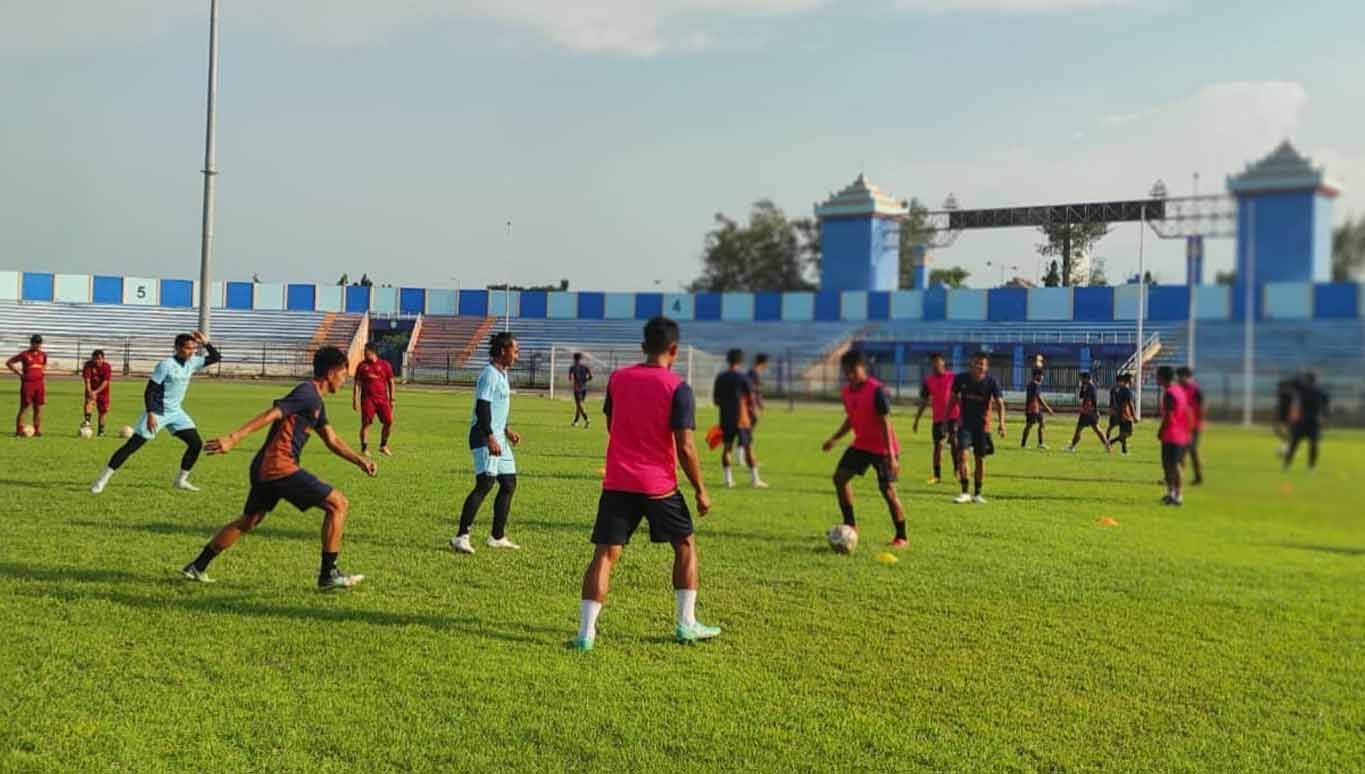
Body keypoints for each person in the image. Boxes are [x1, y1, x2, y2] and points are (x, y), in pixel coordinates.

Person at [179, 346, 377, 589]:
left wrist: (360, 461)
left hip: (267, 467)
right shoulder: (306, 393)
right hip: (277, 466)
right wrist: (233, 437)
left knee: (249, 520)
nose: (344, 380)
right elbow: (271, 414)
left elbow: (332, 440)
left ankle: (197, 566)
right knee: (338, 504)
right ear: (331, 372)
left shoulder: (316, 402)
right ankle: (329, 574)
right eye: (344, 374)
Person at [575, 317, 716, 651]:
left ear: (642, 347)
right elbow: (685, 446)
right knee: (685, 545)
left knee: (605, 555)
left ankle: (586, 634)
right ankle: (686, 624)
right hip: (658, 485)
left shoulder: (619, 379)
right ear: (675, 350)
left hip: (618, 480)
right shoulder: (677, 387)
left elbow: (612, 424)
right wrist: (700, 489)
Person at [90, 332, 220, 494]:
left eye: (194, 348)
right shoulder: (165, 365)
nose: (192, 351)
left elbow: (216, 357)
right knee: (132, 446)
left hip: (176, 411)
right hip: (158, 411)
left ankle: (181, 481)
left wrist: (206, 343)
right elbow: (150, 391)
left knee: (195, 443)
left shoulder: (192, 362)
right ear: (178, 348)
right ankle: (102, 480)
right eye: (188, 348)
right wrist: (151, 414)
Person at [822, 350, 907, 547]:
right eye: (846, 370)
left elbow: (885, 423)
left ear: (863, 368)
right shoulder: (846, 392)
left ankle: (902, 536)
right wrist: (834, 439)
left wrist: (893, 457)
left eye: (854, 370)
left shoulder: (877, 390)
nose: (850, 374)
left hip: (884, 449)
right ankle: (850, 525)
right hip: (861, 444)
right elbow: (851, 419)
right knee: (840, 478)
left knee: (888, 491)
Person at [450, 333, 523, 554]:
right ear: (503, 351)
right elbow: (482, 408)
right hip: (483, 436)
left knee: (509, 483)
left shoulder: (503, 374)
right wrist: (491, 436)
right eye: (515, 350)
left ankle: (497, 537)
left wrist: (506, 429)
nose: (517, 355)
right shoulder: (489, 375)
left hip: (498, 435)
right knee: (485, 483)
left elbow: (495, 407)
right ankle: (461, 536)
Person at [948, 352, 1006, 504]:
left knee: (980, 459)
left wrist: (1001, 423)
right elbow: (953, 399)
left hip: (982, 427)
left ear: (986, 367)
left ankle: (978, 493)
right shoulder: (960, 379)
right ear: (971, 364)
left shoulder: (991, 382)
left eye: (982, 363)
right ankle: (965, 492)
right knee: (962, 456)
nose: (979, 366)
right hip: (965, 424)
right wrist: (947, 419)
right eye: (976, 363)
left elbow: (1000, 403)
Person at [713, 348, 766, 488]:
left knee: (727, 448)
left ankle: (728, 480)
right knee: (748, 448)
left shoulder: (721, 377)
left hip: (725, 417)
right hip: (742, 419)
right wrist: (754, 412)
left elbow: (716, 400)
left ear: (728, 359)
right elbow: (751, 398)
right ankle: (755, 479)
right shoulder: (743, 378)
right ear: (741, 361)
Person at [912, 353, 961, 482]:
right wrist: (917, 419)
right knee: (938, 446)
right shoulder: (928, 381)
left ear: (943, 363)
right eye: (933, 363)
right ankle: (937, 476)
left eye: (938, 362)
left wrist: (963, 414)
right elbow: (924, 401)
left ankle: (957, 470)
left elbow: (959, 397)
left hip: (954, 415)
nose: (936, 365)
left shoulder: (953, 377)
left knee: (955, 443)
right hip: (938, 418)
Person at [1155, 366, 1191, 505]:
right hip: (1179, 433)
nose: (1156, 378)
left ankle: (1177, 495)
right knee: (1169, 465)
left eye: (1157, 376)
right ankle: (1172, 493)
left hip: (1172, 434)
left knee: (1173, 465)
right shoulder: (1178, 390)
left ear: (1163, 377)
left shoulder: (1170, 393)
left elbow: (1169, 416)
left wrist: (1161, 430)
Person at [353, 343, 396, 457]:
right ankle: (364, 448)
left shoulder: (385, 365)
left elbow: (391, 382)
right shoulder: (362, 366)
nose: (364, 354)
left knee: (389, 421)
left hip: (383, 399)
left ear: (373, 352)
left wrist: (392, 398)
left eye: (366, 352)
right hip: (368, 399)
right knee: (366, 423)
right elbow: (357, 384)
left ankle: (383, 446)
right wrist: (355, 400)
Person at [1283, 370, 1329, 471]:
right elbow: (1326, 404)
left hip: (1302, 420)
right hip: (1314, 421)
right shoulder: (1320, 390)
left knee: (1294, 443)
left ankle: (1287, 464)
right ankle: (1311, 466)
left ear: (1307, 379)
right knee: (1313, 444)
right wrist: (1324, 416)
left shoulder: (1303, 388)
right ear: (1316, 379)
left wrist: (1299, 374)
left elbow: (1292, 382)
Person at [7, 334, 47, 437]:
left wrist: (42, 373)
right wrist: (19, 373)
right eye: (36, 343)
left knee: (38, 407)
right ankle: (19, 431)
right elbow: (9, 362)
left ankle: (37, 430)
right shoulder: (24, 354)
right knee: (24, 407)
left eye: (39, 343)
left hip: (39, 383)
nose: (38, 345)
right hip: (28, 384)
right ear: (31, 343)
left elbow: (44, 365)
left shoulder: (43, 355)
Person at [1066, 372, 1111, 453]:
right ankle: (1107, 446)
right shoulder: (1086, 386)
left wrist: (1092, 410)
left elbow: (1091, 400)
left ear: (1086, 378)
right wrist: (1082, 388)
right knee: (1096, 429)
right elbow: (1081, 396)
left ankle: (1072, 447)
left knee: (1080, 429)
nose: (1081, 380)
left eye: (1082, 379)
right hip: (1089, 411)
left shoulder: (1091, 387)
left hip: (1088, 412)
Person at [1176, 366, 1205, 483]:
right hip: (1182, 426)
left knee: (1191, 450)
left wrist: (1195, 422)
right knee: (1182, 451)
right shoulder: (1179, 388)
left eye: (1180, 376)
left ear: (1186, 376)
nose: (1178, 379)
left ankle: (1197, 477)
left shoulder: (1196, 390)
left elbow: (1202, 408)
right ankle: (1177, 477)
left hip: (1194, 426)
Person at [1019, 368, 1054, 449]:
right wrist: (1048, 408)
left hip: (1034, 408)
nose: (1042, 377)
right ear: (1037, 375)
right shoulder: (1036, 384)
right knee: (1029, 426)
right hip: (1033, 409)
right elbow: (1039, 398)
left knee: (1041, 423)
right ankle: (1024, 444)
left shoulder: (1030, 384)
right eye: (1042, 375)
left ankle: (1040, 443)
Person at [82, 349, 114, 436]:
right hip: (91, 389)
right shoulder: (88, 365)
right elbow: (87, 380)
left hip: (103, 391)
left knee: (103, 411)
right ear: (92, 358)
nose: (97, 361)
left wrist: (96, 392)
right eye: (95, 358)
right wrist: (89, 391)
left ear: (103, 359)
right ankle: (87, 422)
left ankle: (101, 432)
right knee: (89, 401)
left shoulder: (107, 367)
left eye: (99, 358)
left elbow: (105, 382)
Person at [1105, 373, 1136, 455]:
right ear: (1129, 380)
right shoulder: (1126, 390)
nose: (1133, 381)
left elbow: (1114, 401)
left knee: (1121, 432)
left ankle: (1124, 451)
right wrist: (1134, 416)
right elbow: (1129, 403)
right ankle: (1110, 442)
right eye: (1132, 379)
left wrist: (1113, 411)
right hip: (1125, 413)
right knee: (1128, 433)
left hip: (1118, 413)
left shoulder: (1117, 389)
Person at [1274, 375, 1299, 457]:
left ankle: (1286, 448)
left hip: (1286, 415)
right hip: (1284, 415)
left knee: (1284, 432)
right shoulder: (1286, 393)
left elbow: (1293, 405)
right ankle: (1286, 448)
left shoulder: (1287, 393)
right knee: (1280, 431)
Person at [569, 352, 593, 428]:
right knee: (579, 405)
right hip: (584, 388)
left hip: (577, 388)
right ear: (580, 358)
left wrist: (576, 380)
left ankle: (586, 418)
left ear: (574, 359)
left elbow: (570, 378)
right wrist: (584, 380)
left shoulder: (572, 367)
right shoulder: (586, 367)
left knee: (579, 404)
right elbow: (591, 377)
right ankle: (576, 421)